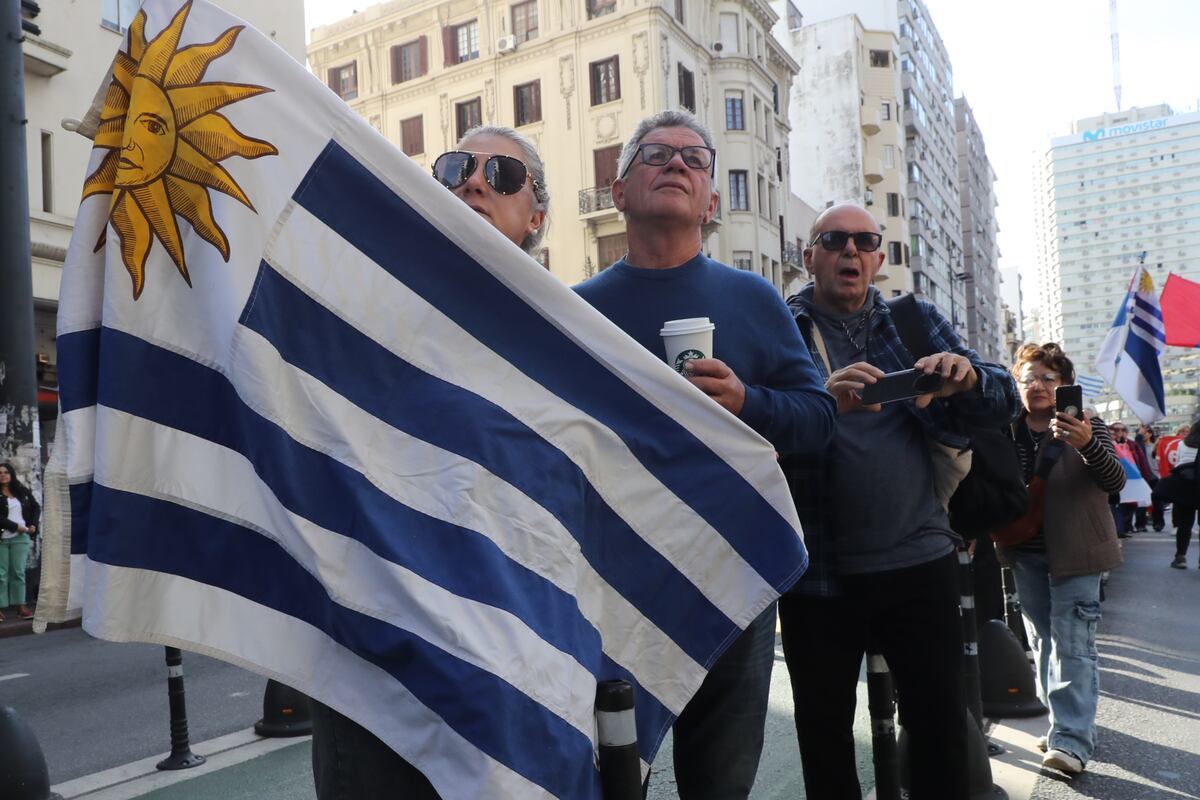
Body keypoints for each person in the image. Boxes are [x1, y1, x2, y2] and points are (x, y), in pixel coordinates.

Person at [574, 110, 836, 799]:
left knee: (719, 783)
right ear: (619, 192)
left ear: (712, 201)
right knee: (608, 774)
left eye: (695, 159)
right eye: (655, 154)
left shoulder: (753, 299)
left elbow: (818, 420)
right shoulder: (575, 311)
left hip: (732, 572)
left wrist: (748, 401)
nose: (677, 164)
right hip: (612, 579)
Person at [310, 124, 548, 800]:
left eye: (502, 175)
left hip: (505, 655)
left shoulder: (563, 345)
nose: (473, 182)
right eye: (454, 168)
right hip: (377, 652)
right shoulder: (368, 308)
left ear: (535, 217)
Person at [777, 202, 1020, 800]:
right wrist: (820, 401)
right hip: (815, 572)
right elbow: (753, 423)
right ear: (809, 257)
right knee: (824, 735)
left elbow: (1005, 399)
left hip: (920, 560)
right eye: (834, 240)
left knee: (939, 725)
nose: (850, 251)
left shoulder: (914, 319)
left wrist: (967, 378)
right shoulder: (780, 327)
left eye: (864, 242)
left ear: (879, 259)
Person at [997, 343, 1125, 776]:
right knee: (1042, 641)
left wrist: (1088, 444)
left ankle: (1071, 740)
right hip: (1024, 552)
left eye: (1048, 378)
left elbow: (1114, 480)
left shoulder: (1088, 423)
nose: (1038, 385)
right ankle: (1061, 725)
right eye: (1028, 378)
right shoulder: (1007, 429)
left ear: (1066, 385)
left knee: (1072, 643)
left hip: (1078, 551)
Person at [0, 462, 40, 622]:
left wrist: (33, 525)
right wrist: (17, 527)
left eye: (6, 472)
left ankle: (21, 607)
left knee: (18, 572)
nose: (3, 475)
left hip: (20, 539)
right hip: (2, 538)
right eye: (0, 473)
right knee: (1, 574)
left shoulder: (21, 491)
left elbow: (36, 507)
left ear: (11, 474)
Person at [1169, 422, 1199, 568]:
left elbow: (1179, 462)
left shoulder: (1182, 443)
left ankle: (1180, 557)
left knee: (1185, 524)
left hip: (1185, 483)